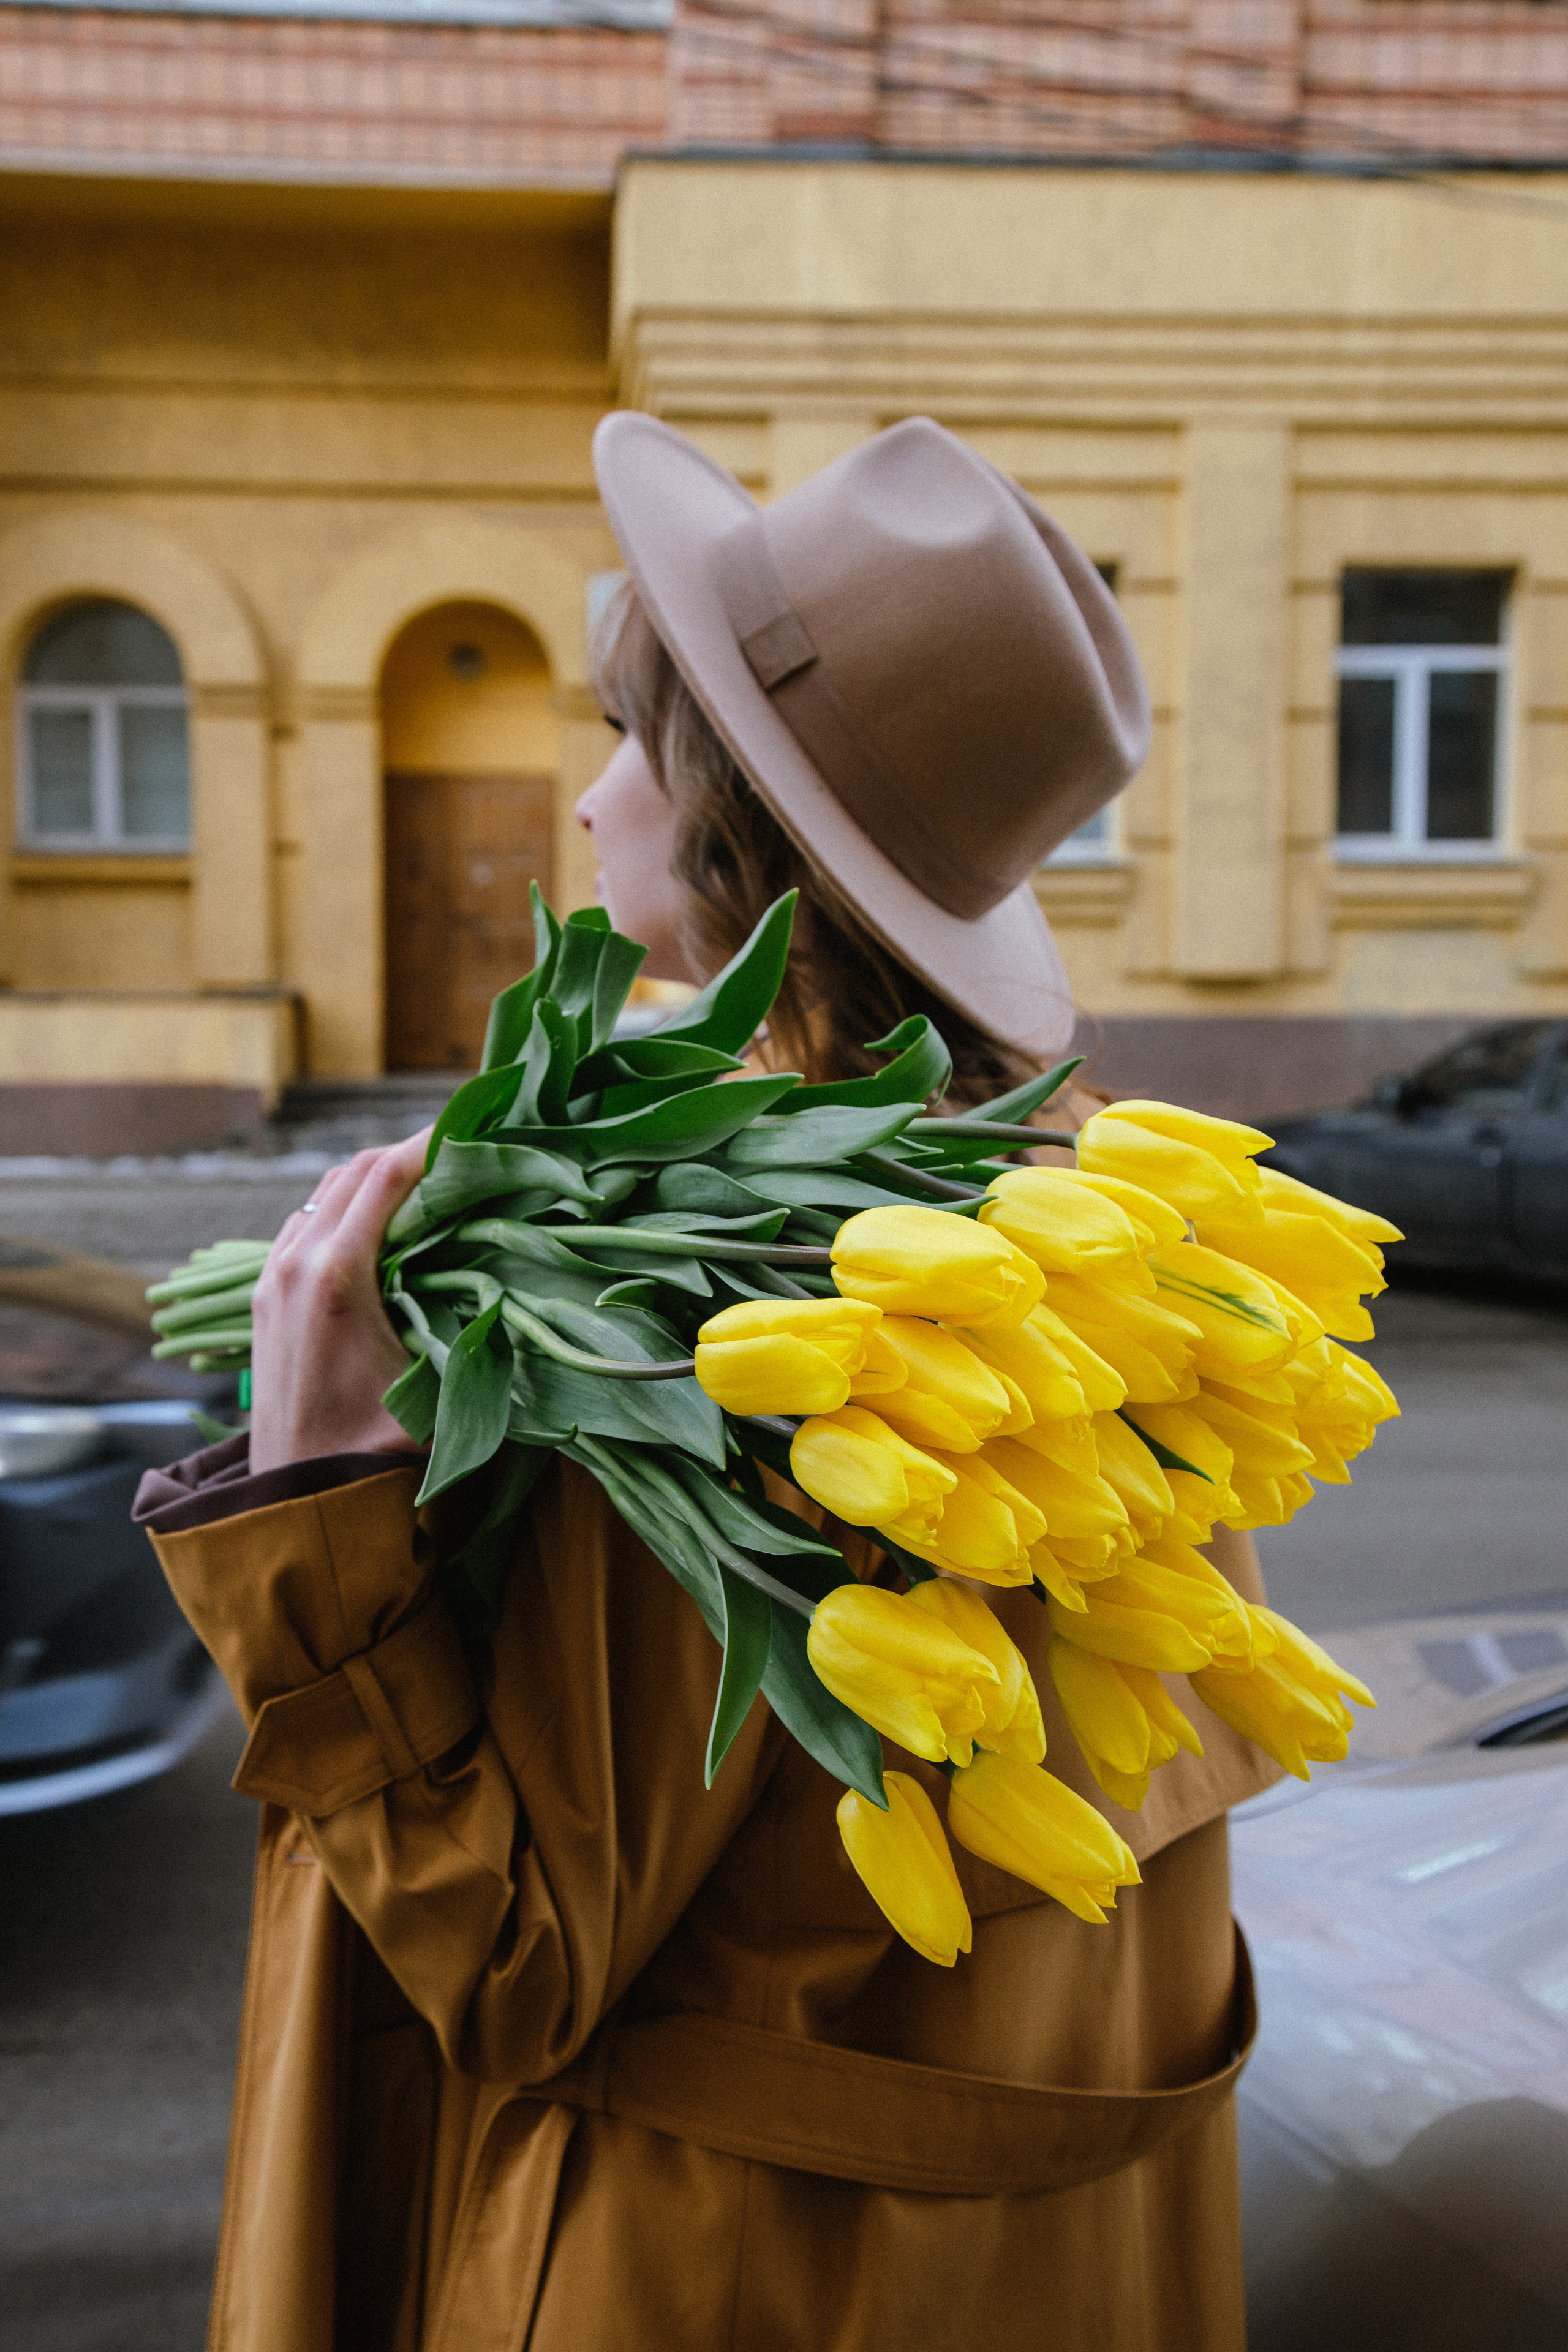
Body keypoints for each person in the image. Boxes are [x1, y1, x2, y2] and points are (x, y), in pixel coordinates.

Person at [136, 415, 1280, 2352]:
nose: (585, 802)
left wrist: (319, 1506)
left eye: (625, 738)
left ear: (732, 805)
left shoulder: (751, 1318)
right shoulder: (1100, 1231)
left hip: (713, 2282)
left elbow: (506, 1959)